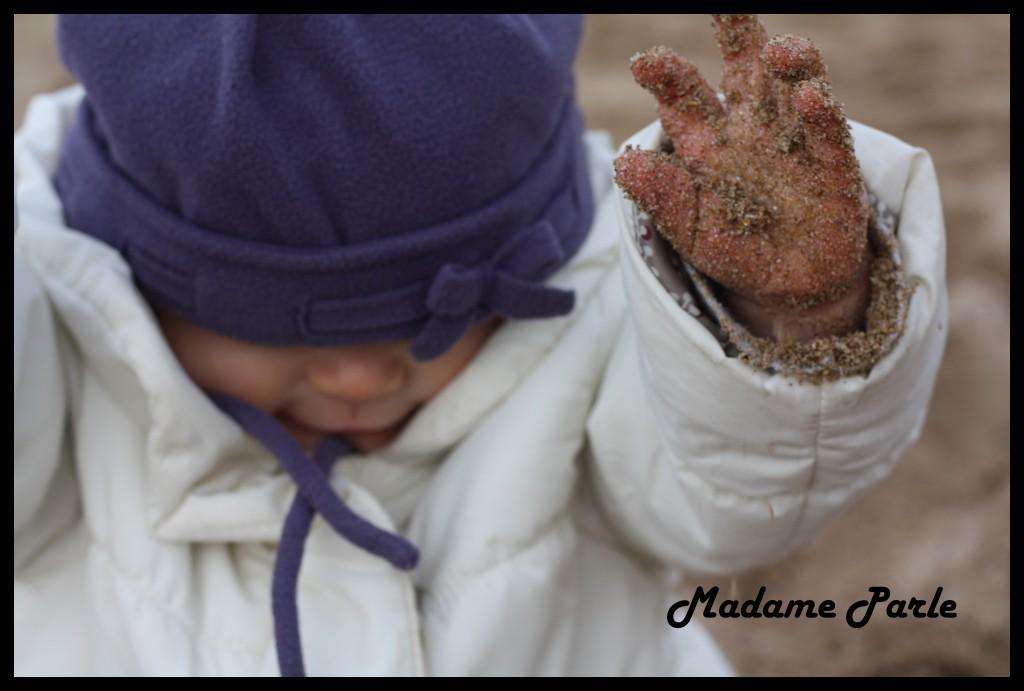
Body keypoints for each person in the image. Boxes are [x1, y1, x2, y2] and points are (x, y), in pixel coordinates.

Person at [13, 14, 947, 676]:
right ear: (127, 270)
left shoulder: (594, 323)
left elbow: (739, 494)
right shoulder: (60, 370)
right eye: (274, 331)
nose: (361, 374)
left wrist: (794, 323)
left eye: (436, 319)